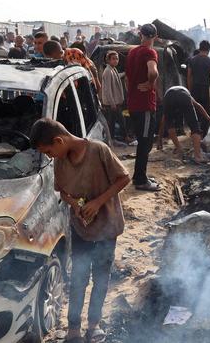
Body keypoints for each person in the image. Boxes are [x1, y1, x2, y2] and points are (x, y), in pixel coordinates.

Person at [29, 118, 130, 343]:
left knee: (101, 277)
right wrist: (75, 204)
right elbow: (62, 191)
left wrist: (98, 202)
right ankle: (74, 327)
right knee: (78, 277)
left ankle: (93, 325)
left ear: (58, 140)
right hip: (82, 229)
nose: (49, 156)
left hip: (106, 227)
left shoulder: (98, 150)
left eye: (48, 151)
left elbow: (124, 178)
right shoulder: (60, 160)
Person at [125, 23, 160, 191]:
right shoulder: (149, 52)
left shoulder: (132, 52)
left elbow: (127, 79)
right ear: (155, 36)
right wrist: (150, 84)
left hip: (133, 104)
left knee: (143, 141)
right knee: (145, 143)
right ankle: (140, 180)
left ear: (141, 34)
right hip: (144, 105)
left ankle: (141, 175)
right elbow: (153, 71)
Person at [156, 86, 210, 163]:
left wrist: (159, 139)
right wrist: (208, 117)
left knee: (170, 125)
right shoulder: (186, 93)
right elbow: (198, 105)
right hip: (183, 96)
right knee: (194, 126)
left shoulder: (169, 96)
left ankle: (179, 148)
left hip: (169, 98)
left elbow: (163, 121)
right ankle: (198, 156)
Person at [187, 40, 210, 134]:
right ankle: (204, 134)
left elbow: (189, 77)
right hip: (206, 89)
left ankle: (196, 132)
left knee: (196, 110)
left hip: (195, 89)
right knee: (207, 112)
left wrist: (189, 90)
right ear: (208, 49)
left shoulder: (192, 60)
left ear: (200, 48)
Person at [101, 50, 128, 142]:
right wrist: (112, 103)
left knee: (112, 121)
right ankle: (124, 137)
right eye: (113, 59)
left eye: (117, 59)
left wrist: (125, 73)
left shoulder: (113, 69)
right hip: (111, 103)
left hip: (114, 102)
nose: (116, 61)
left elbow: (117, 76)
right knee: (119, 120)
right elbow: (107, 89)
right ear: (108, 60)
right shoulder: (108, 71)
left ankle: (111, 138)